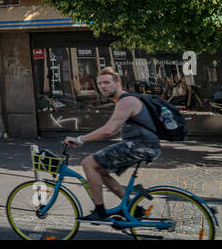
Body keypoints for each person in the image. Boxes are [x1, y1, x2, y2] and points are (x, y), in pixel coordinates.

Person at [64, 67, 159, 221]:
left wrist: (81, 139)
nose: (102, 86)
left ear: (118, 83)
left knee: (88, 163)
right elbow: (114, 129)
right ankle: (133, 208)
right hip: (143, 146)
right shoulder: (125, 101)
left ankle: (99, 211)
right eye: (100, 83)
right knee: (100, 170)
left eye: (107, 82)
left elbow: (108, 130)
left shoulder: (126, 101)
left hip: (140, 146)